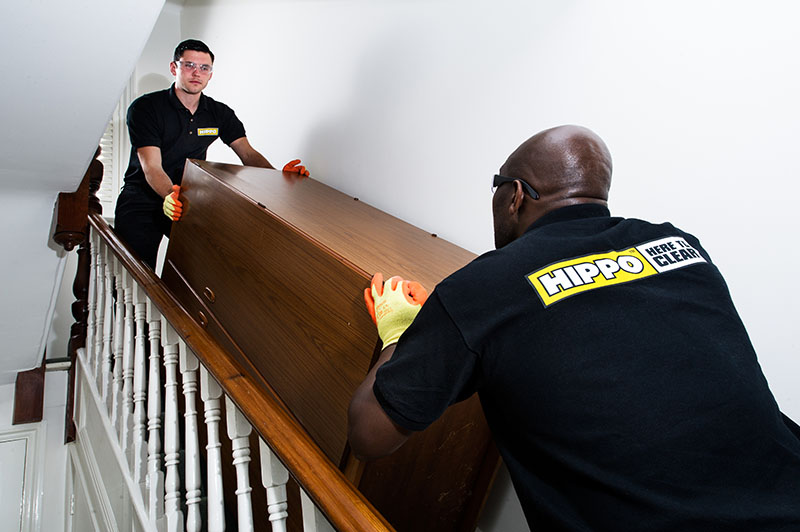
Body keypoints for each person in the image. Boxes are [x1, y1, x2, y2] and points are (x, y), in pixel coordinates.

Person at [348, 125, 800, 531]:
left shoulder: (486, 287)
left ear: (516, 195)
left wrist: (401, 334)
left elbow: (369, 436)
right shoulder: (679, 246)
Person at [114, 39, 309, 269]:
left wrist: (279, 179)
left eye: (204, 68)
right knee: (134, 275)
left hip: (187, 200)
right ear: (174, 68)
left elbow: (247, 154)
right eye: (189, 65)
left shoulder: (219, 114)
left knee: (200, 267)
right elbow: (152, 167)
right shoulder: (146, 108)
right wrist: (169, 194)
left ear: (210, 75)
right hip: (142, 200)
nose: (197, 73)